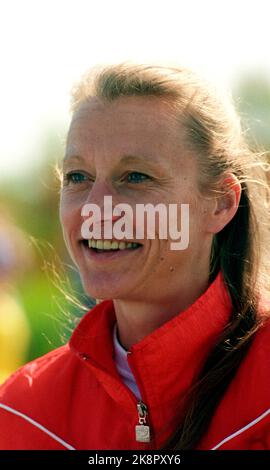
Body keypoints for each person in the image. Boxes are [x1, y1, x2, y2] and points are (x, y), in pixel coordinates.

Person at [0, 62, 269, 450]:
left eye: (136, 177)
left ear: (221, 203)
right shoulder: (22, 412)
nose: (95, 208)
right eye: (77, 177)